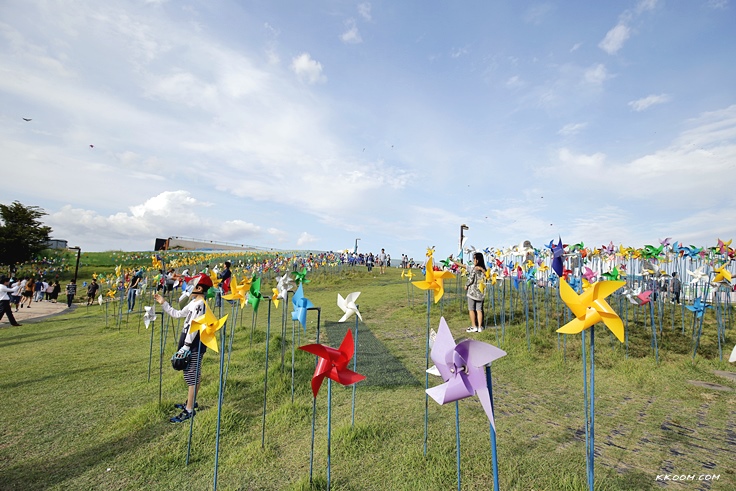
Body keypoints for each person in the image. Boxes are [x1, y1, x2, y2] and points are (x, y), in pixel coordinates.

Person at [155, 273, 212, 423]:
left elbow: (195, 326)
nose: (188, 287)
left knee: (191, 376)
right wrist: (163, 303)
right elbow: (178, 313)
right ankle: (191, 402)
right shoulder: (193, 302)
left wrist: (186, 347)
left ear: (199, 288)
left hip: (193, 345)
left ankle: (189, 410)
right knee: (194, 374)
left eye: (192, 284)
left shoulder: (200, 305)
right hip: (187, 343)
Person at [464, 252, 487, 333]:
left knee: (471, 309)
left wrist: (466, 285)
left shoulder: (475, 268)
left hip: (472, 292)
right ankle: (480, 327)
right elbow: (488, 276)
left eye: (474, 258)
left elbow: (471, 279)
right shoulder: (484, 270)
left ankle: (474, 326)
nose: (473, 260)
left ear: (477, 260)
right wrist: (482, 270)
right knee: (479, 310)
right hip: (481, 293)